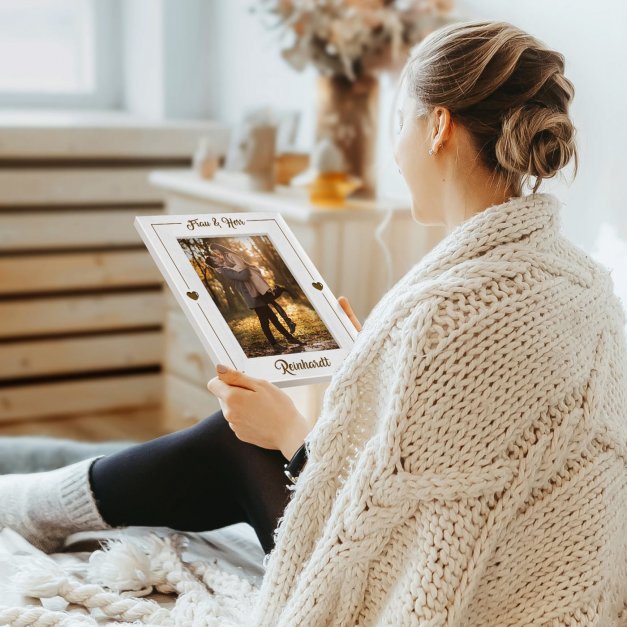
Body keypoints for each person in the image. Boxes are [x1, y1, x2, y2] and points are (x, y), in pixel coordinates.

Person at [1, 19, 626, 626]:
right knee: (242, 435)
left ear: (437, 126)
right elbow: (455, 451)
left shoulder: (443, 311)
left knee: (235, 441)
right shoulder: (588, 286)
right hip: (553, 585)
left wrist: (289, 433)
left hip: (457, 600)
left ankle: (29, 505)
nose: (396, 152)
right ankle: (38, 500)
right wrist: (365, 367)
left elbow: (393, 538)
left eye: (400, 124)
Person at [204, 250, 303, 351]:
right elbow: (243, 276)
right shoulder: (224, 270)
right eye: (214, 258)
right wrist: (243, 266)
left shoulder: (226, 267)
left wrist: (240, 265)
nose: (217, 257)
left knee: (273, 318)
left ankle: (289, 339)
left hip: (255, 294)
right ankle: (275, 344)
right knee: (265, 322)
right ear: (214, 262)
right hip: (252, 297)